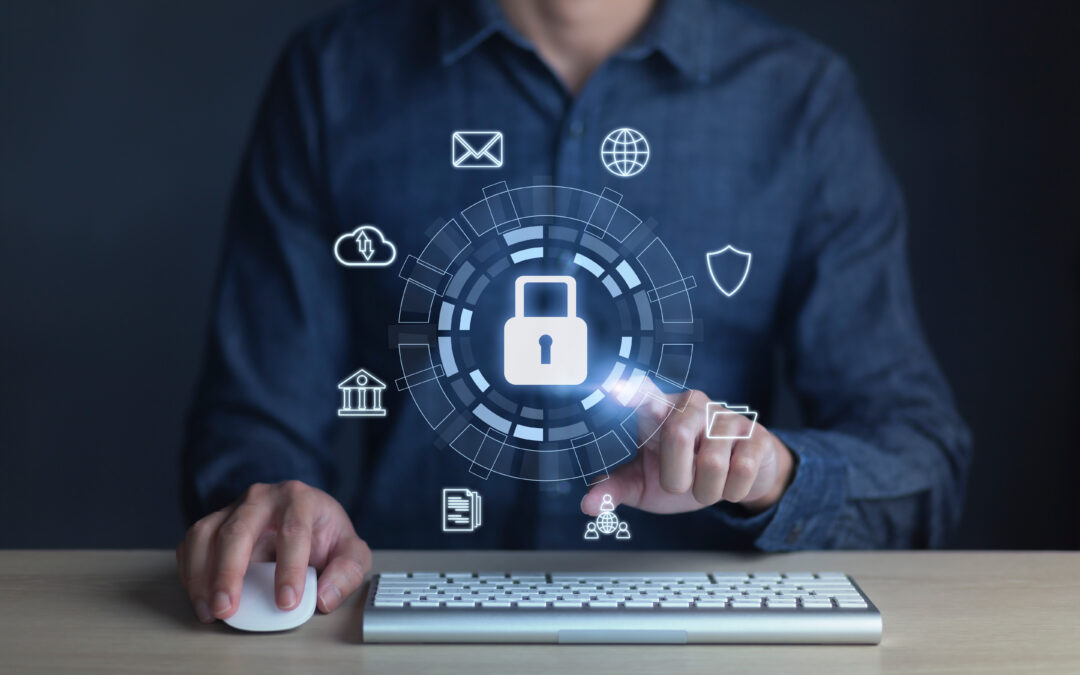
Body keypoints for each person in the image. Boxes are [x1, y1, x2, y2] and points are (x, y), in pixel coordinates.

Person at [177, 0, 971, 624]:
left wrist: (769, 476)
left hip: (709, 634)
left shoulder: (799, 101)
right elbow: (252, 421)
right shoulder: (335, 76)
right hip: (396, 623)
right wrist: (274, 506)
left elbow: (920, 463)